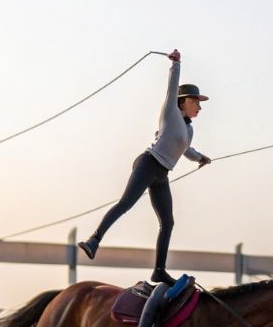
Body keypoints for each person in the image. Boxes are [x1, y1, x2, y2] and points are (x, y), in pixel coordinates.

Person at [77, 49, 211, 286]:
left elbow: (185, 149)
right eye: (195, 102)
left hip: (161, 174)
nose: (199, 107)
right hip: (148, 164)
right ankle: (94, 240)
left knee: (168, 221)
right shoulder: (171, 114)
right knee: (126, 203)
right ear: (182, 103)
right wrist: (176, 64)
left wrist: (201, 157)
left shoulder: (189, 129)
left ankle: (159, 270)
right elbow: (171, 89)